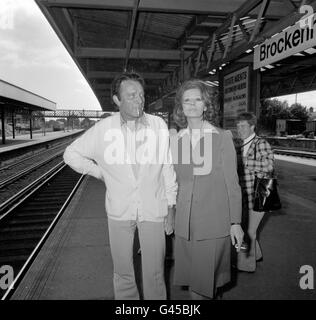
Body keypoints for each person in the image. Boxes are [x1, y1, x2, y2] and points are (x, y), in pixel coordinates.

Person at [63, 71, 177, 300]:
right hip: (119, 212)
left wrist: (171, 206)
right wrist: (99, 172)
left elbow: (167, 166)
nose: (139, 100)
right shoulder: (103, 130)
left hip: (154, 208)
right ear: (117, 100)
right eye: (132, 95)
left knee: (155, 273)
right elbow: (71, 154)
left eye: (141, 95)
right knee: (123, 272)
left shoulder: (158, 125)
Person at [172, 79, 244, 300]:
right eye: (187, 100)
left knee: (200, 289)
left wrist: (236, 222)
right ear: (181, 107)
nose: (192, 104)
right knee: (204, 285)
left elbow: (232, 183)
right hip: (184, 226)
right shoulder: (176, 140)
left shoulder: (222, 137)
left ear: (206, 105)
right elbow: (174, 182)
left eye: (197, 99)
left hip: (213, 224)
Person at [235, 112, 274, 272]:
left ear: (252, 126)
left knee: (248, 231)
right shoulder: (241, 145)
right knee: (248, 228)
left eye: (243, 126)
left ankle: (246, 265)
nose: (239, 129)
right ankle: (256, 255)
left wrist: (245, 161)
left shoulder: (261, 143)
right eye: (238, 126)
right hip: (244, 196)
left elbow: (269, 166)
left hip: (258, 195)